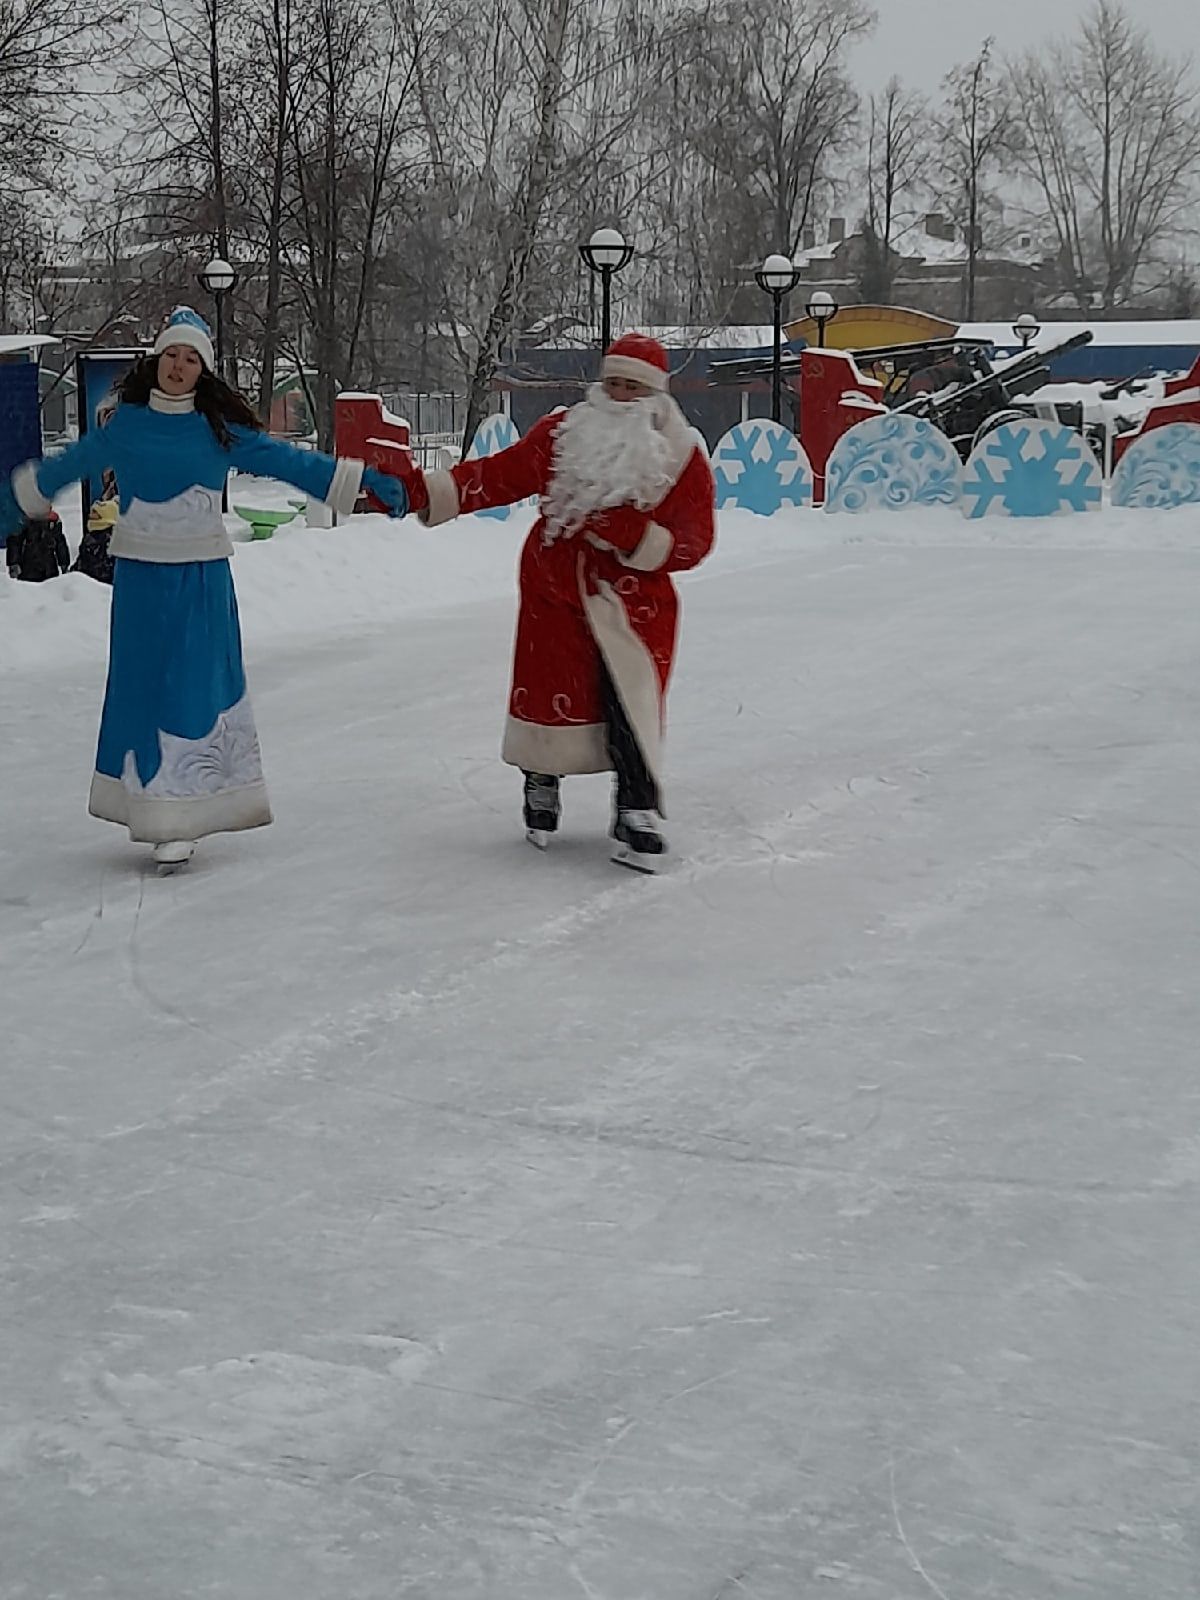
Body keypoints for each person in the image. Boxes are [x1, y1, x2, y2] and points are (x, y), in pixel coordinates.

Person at [0, 306, 408, 872]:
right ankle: (147, 801)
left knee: (194, 684)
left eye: (191, 358)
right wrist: (12, 505)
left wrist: (367, 484)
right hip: (141, 579)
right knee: (144, 685)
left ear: (202, 370)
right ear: (157, 360)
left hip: (201, 580)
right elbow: (68, 466)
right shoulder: (126, 424)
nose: (179, 365)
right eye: (172, 354)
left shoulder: (220, 431)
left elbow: (289, 462)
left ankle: (185, 812)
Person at [399, 332, 715, 872]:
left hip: (634, 605)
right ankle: (541, 782)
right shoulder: (564, 433)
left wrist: (638, 538)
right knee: (551, 692)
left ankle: (636, 810)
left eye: (633, 388)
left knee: (629, 702)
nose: (619, 396)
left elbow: (697, 536)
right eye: (612, 383)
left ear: (657, 396)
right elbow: (500, 476)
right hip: (556, 588)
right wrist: (433, 492)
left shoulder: (680, 456)